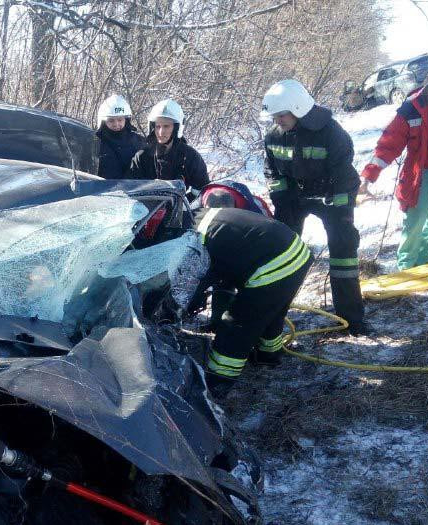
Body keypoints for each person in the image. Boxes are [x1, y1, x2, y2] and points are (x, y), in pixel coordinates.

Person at [171, 186, 314, 397]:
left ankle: (218, 381)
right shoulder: (200, 217)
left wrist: (177, 308)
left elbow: (192, 282)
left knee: (239, 322)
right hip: (296, 252)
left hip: (274, 263)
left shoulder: (190, 237)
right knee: (269, 313)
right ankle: (269, 355)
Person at [261, 79, 366, 335]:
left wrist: (340, 207)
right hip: (294, 198)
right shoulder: (274, 135)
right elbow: (272, 171)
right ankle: (272, 317)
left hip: (332, 196)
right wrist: (282, 199)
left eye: (282, 115)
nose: (278, 120)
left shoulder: (332, 132)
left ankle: (352, 319)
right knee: (281, 252)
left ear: (298, 108)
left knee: (344, 252)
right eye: (274, 115)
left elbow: (343, 171)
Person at [360, 59, 428, 270]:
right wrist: (369, 175)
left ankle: (422, 263)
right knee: (415, 221)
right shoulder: (413, 107)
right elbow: (390, 142)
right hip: (420, 174)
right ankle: (406, 266)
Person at [127, 98, 209, 198]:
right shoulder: (142, 156)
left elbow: (202, 190)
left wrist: (183, 204)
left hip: (179, 210)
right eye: (158, 126)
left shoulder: (189, 156)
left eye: (166, 126)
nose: (161, 132)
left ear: (176, 128)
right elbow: (130, 188)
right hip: (146, 209)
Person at [94, 94, 145, 179]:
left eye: (120, 120)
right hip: (101, 190)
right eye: (111, 120)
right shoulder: (96, 143)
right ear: (103, 122)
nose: (116, 124)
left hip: (133, 190)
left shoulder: (139, 141)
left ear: (126, 120)